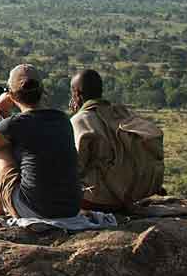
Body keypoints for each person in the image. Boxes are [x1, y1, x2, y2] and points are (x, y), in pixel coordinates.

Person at [0, 64, 82, 220]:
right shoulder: (62, 119)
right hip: (71, 209)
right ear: (42, 91)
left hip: (35, 210)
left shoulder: (14, 124)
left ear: (11, 95)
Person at [69, 68, 164, 211]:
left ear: (76, 94)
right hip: (133, 194)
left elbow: (76, 167)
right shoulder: (123, 112)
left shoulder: (80, 120)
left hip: (99, 199)